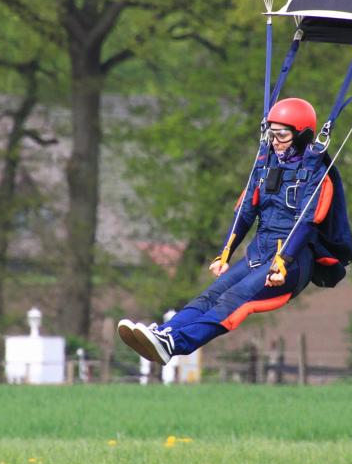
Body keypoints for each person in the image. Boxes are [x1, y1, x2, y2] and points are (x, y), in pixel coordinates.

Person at [118, 97, 336, 365]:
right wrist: (225, 252)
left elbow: (306, 223)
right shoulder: (265, 165)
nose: (275, 142)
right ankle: (165, 333)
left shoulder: (316, 174)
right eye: (272, 134)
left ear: (301, 137)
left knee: (234, 298)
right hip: (258, 254)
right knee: (210, 295)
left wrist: (283, 262)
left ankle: (176, 343)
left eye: (282, 135)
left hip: (291, 262)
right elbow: (245, 211)